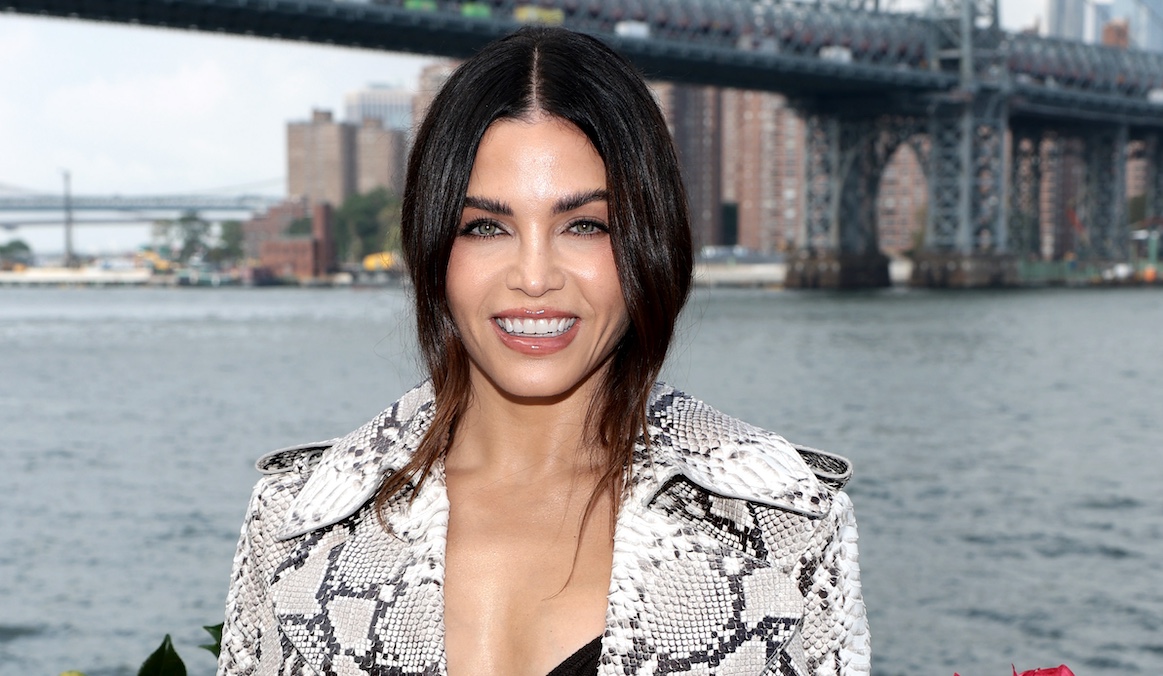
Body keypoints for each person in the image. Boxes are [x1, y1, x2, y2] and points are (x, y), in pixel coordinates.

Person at [218, 26, 869, 676]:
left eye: (584, 225)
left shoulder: (783, 521)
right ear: (433, 250)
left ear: (651, 242)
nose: (533, 276)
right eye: (485, 227)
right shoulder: (300, 518)